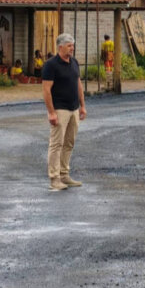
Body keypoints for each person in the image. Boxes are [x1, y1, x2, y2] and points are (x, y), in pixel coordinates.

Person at [42, 33, 87, 191]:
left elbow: (78, 84)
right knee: (56, 144)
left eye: (73, 45)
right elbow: (46, 90)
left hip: (74, 108)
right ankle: (54, 179)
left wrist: (82, 106)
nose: (72, 48)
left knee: (69, 143)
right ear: (60, 46)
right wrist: (51, 112)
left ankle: (64, 174)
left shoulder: (74, 62)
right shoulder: (51, 65)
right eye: (69, 46)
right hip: (59, 109)